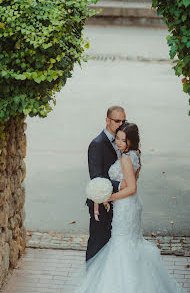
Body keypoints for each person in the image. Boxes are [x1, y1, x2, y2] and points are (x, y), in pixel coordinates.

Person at [74, 122, 185, 293]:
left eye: (123, 140)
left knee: (121, 242)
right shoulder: (134, 155)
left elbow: (132, 188)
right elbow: (129, 183)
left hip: (125, 205)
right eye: (117, 138)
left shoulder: (126, 159)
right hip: (130, 204)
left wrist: (109, 197)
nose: (118, 143)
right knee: (129, 242)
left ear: (130, 142)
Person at [86, 106, 127, 262]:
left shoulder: (122, 140)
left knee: (112, 244)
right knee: (97, 243)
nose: (121, 124)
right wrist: (122, 186)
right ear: (107, 120)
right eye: (117, 121)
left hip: (120, 201)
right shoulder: (97, 144)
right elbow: (97, 178)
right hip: (101, 201)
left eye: (124, 121)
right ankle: (91, 279)